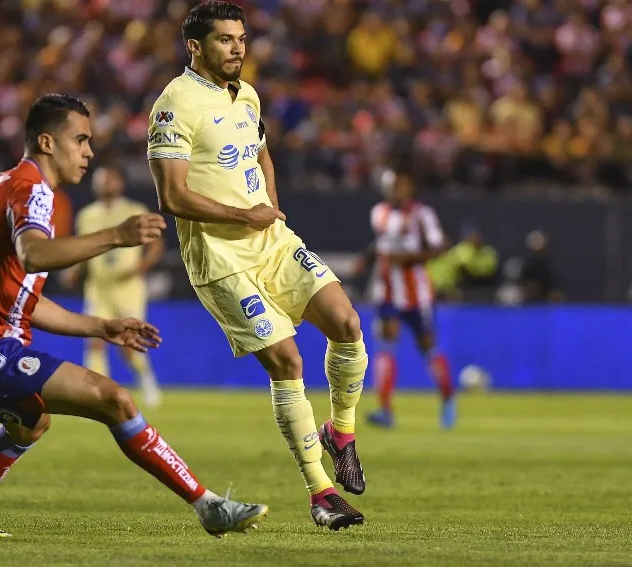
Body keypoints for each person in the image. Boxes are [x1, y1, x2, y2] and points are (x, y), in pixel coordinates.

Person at [0, 94, 267, 538]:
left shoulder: (13, 184)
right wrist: (116, 235)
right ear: (47, 142)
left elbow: (24, 301)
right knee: (113, 399)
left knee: (31, 424)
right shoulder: (30, 188)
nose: (88, 151)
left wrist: (102, 327)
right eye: (81, 140)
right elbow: (34, 256)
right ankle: (209, 506)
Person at [147, 2, 367, 531]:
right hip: (221, 259)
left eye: (241, 38)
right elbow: (172, 196)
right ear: (195, 46)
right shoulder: (174, 105)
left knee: (347, 322)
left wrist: (270, 205)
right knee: (287, 362)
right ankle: (321, 494)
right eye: (225, 39)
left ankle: (341, 433)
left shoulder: (246, 94)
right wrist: (245, 214)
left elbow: (262, 153)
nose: (238, 48)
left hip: (272, 242)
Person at [352, 168, 456, 429]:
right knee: (386, 344)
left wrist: (409, 258)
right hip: (387, 291)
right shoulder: (379, 212)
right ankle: (385, 410)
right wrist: (366, 260)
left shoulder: (422, 214)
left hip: (417, 294)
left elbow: (439, 247)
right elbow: (380, 243)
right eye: (393, 186)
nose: (397, 191)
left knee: (428, 347)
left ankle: (447, 400)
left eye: (401, 186)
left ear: (409, 187)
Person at [64, 165, 164, 407]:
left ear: (120, 183)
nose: (105, 184)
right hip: (98, 287)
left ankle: (145, 377)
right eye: (100, 180)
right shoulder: (87, 215)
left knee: (128, 342)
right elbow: (83, 249)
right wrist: (74, 270)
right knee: (95, 339)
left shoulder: (135, 210)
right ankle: (98, 395)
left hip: (127, 287)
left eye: (109, 179)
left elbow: (156, 245)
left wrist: (141, 267)